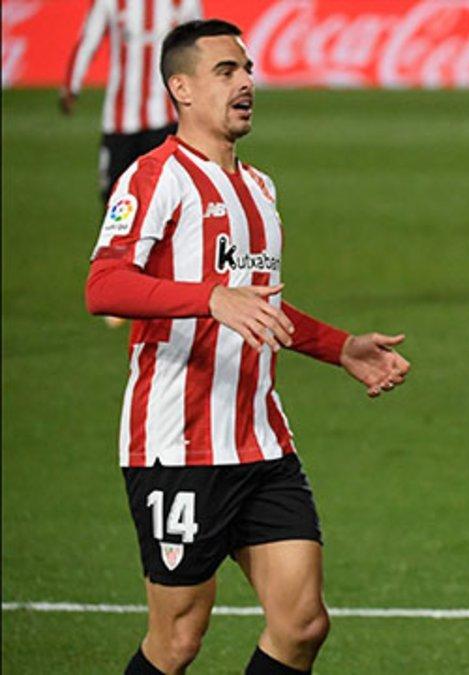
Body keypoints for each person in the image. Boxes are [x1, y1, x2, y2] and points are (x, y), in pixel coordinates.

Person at [84, 19, 410, 675]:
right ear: (181, 88)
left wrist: (340, 345)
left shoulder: (260, 189)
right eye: (226, 71)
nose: (247, 83)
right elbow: (104, 283)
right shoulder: (154, 179)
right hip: (177, 441)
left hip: (261, 438)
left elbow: (257, 304)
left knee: (302, 624)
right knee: (177, 640)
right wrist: (208, 296)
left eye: (248, 69)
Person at [62, 0, 204, 205]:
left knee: (167, 202)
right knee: (115, 202)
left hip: (166, 120)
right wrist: (71, 86)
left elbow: (199, 47)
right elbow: (88, 40)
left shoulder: (183, 3)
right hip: (120, 122)